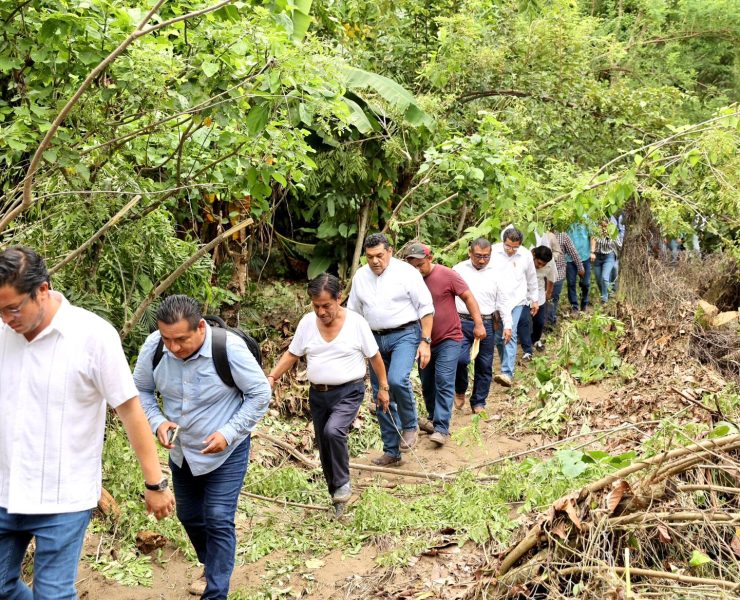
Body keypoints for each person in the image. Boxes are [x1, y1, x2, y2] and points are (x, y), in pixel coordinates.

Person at [0, 246, 174, 600]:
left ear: (43, 290)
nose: (6, 318)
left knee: (53, 594)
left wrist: (155, 484)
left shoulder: (92, 336)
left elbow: (130, 409)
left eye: (13, 308)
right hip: (4, 488)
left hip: (63, 497)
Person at [134, 295, 270, 599]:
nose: (173, 347)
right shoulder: (155, 346)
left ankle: (215, 591)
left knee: (218, 517)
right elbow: (140, 390)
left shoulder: (228, 349)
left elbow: (260, 393)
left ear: (200, 327)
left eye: (181, 339)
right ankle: (212, 564)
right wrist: (156, 421)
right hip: (182, 451)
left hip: (227, 452)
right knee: (191, 517)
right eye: (167, 339)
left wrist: (229, 432)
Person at [267, 274, 390, 513]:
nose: (321, 312)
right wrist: (272, 377)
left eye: (326, 306)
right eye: (316, 306)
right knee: (324, 445)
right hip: (318, 394)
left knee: (333, 431)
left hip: (348, 391)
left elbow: (374, 357)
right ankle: (336, 496)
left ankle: (343, 483)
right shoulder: (306, 323)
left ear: (339, 298)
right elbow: (292, 354)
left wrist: (383, 388)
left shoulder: (356, 323)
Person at [347, 233, 434, 465]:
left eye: (379, 256)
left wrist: (425, 341)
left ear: (390, 252)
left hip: (404, 334)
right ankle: (392, 451)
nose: (375, 261)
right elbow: (354, 312)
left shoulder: (407, 273)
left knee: (396, 380)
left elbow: (426, 308)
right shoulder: (360, 277)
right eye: (370, 257)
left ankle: (410, 424)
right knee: (381, 395)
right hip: (373, 339)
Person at [403, 243, 485, 444]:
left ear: (429, 259)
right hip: (422, 341)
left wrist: (478, 323)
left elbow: (468, 296)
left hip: (449, 337)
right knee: (427, 382)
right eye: (413, 266)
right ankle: (432, 418)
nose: (417, 270)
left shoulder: (447, 275)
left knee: (443, 379)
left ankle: (442, 427)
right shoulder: (406, 281)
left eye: (420, 265)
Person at [453, 238, 512, 413]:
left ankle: (479, 401)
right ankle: (460, 389)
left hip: (487, 321)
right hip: (461, 321)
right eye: (478, 256)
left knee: (484, 364)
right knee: (459, 359)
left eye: (486, 257)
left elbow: (503, 301)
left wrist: (507, 324)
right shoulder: (458, 270)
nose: (481, 260)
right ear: (470, 253)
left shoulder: (497, 272)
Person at [490, 227, 538, 387]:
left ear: (520, 245)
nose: (511, 250)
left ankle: (507, 372)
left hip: (517, 300)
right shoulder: (493, 252)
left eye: (514, 247)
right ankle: (506, 363)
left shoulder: (525, 255)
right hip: (496, 301)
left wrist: (535, 299)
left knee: (511, 333)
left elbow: (532, 278)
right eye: (508, 246)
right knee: (498, 337)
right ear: (503, 242)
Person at [548, 231, 584, 326]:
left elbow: (573, 252)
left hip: (558, 272)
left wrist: (580, 268)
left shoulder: (563, 236)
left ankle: (551, 322)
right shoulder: (539, 234)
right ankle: (546, 321)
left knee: (553, 297)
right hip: (543, 273)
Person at [531, 246, 558, 349]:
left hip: (539, 292)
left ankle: (536, 340)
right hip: (523, 293)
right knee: (524, 321)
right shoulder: (526, 258)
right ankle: (526, 345)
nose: (540, 266)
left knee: (539, 321)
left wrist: (549, 293)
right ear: (533, 255)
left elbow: (552, 278)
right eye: (538, 263)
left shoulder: (550, 263)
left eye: (543, 264)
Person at [591, 218, 622, 304]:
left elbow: (619, 244)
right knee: (598, 279)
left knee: (604, 277)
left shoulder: (612, 231)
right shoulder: (596, 230)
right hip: (597, 256)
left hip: (609, 255)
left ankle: (604, 300)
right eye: (602, 222)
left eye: (606, 222)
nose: (604, 224)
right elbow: (593, 240)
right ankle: (605, 294)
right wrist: (592, 252)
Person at [565, 222, 592, 313]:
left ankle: (584, 303)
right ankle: (574, 306)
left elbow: (592, 236)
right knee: (571, 283)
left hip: (585, 256)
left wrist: (592, 251)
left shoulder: (586, 219)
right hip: (570, 258)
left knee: (586, 283)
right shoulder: (567, 218)